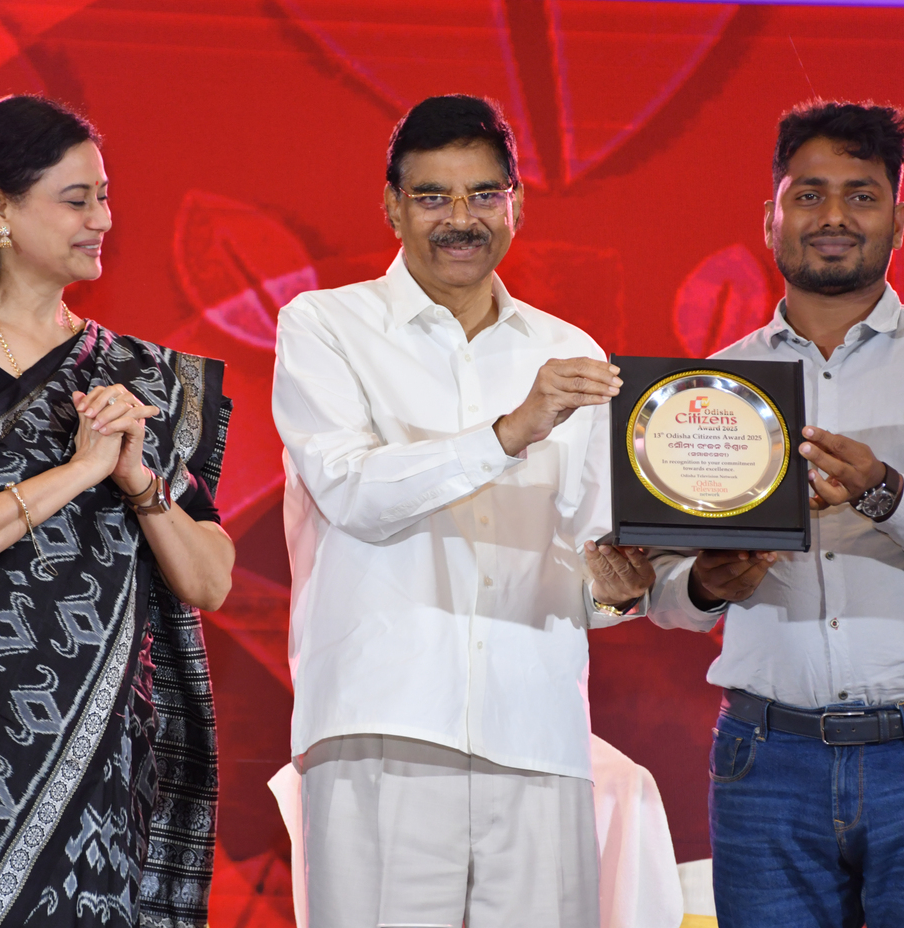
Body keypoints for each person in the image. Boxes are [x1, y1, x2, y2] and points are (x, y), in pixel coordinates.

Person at [587, 100, 904, 927]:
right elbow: (661, 594)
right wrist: (707, 584)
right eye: (808, 194)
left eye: (861, 195)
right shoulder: (709, 390)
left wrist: (886, 493)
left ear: (899, 220)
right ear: (769, 218)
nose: (833, 216)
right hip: (765, 762)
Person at [0, 95, 234, 928]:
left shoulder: (131, 375)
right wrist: (74, 474)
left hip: (99, 753)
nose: (103, 219)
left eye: (105, 196)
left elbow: (211, 580)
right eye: (76, 199)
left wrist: (135, 478)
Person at [271, 94, 643, 928]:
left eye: (483, 195)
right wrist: (510, 432)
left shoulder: (570, 350)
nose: (460, 219)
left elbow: (586, 561)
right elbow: (354, 493)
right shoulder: (327, 325)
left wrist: (620, 591)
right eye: (433, 197)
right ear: (392, 205)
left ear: (517, 202)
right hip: (384, 723)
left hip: (540, 730)